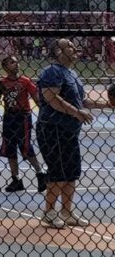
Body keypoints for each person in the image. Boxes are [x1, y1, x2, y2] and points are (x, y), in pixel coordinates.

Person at [36, 38, 114, 229]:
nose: (74, 48)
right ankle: (49, 212)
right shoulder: (51, 72)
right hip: (53, 128)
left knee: (71, 172)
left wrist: (104, 105)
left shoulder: (71, 73)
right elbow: (52, 99)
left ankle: (67, 211)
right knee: (58, 170)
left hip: (70, 130)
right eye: (68, 46)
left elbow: (81, 101)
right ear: (57, 52)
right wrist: (77, 113)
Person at [0, 55, 47, 193]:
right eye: (12, 62)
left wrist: (45, 114)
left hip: (23, 118)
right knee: (10, 148)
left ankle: (40, 173)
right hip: (9, 118)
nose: (16, 64)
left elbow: (37, 99)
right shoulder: (2, 83)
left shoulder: (25, 81)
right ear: (5, 67)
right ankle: (16, 179)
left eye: (16, 61)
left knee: (25, 147)